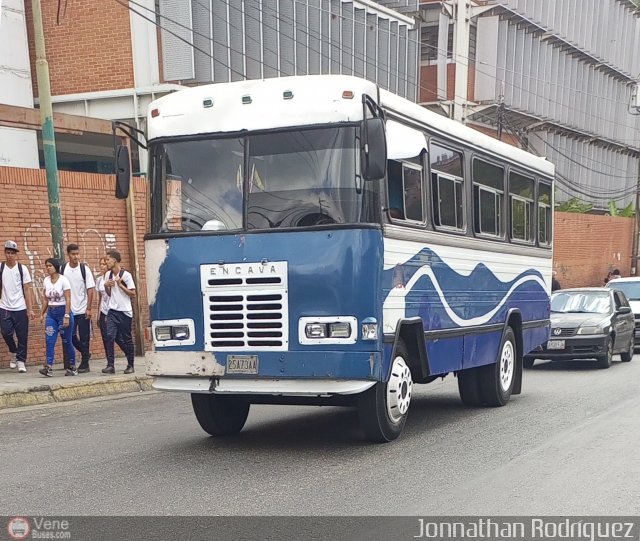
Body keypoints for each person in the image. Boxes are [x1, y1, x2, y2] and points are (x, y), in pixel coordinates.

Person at [0, 240, 35, 373]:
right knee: (6, 332)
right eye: (7, 252)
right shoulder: (1, 268)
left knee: (22, 336)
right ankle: (13, 352)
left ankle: (21, 361)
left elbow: (27, 289)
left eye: (12, 253)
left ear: (16, 254)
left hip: (20, 307)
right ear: (5, 253)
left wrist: (30, 309)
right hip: (5, 306)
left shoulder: (22, 269)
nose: (10, 255)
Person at [38, 258, 77, 377]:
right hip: (51, 313)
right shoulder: (46, 280)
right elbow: (45, 298)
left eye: (50, 265)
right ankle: (48, 367)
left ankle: (72, 366)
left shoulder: (63, 280)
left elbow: (68, 298)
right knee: (50, 339)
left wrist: (66, 315)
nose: (48, 268)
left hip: (63, 312)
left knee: (67, 341)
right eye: (47, 266)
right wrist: (42, 313)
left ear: (55, 267)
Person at [61, 243, 95, 372]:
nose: (76, 257)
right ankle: (85, 354)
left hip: (82, 309)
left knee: (85, 337)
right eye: (73, 254)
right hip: (69, 310)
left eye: (77, 254)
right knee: (70, 336)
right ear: (68, 255)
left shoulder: (84, 269)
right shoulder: (63, 269)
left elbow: (90, 289)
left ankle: (85, 364)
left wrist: (89, 308)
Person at [102, 250, 136, 374]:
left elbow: (133, 293)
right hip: (112, 310)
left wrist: (120, 284)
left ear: (114, 260)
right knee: (110, 336)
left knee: (127, 338)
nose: (106, 262)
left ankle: (130, 364)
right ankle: (110, 365)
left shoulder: (125, 275)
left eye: (108, 259)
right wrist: (107, 286)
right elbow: (110, 294)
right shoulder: (107, 275)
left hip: (125, 311)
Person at [94, 257, 111, 364]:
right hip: (103, 310)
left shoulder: (111, 278)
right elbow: (99, 298)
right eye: (100, 264)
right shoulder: (99, 279)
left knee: (116, 337)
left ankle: (128, 355)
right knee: (105, 337)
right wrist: (98, 313)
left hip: (113, 310)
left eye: (104, 264)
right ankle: (109, 361)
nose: (102, 266)